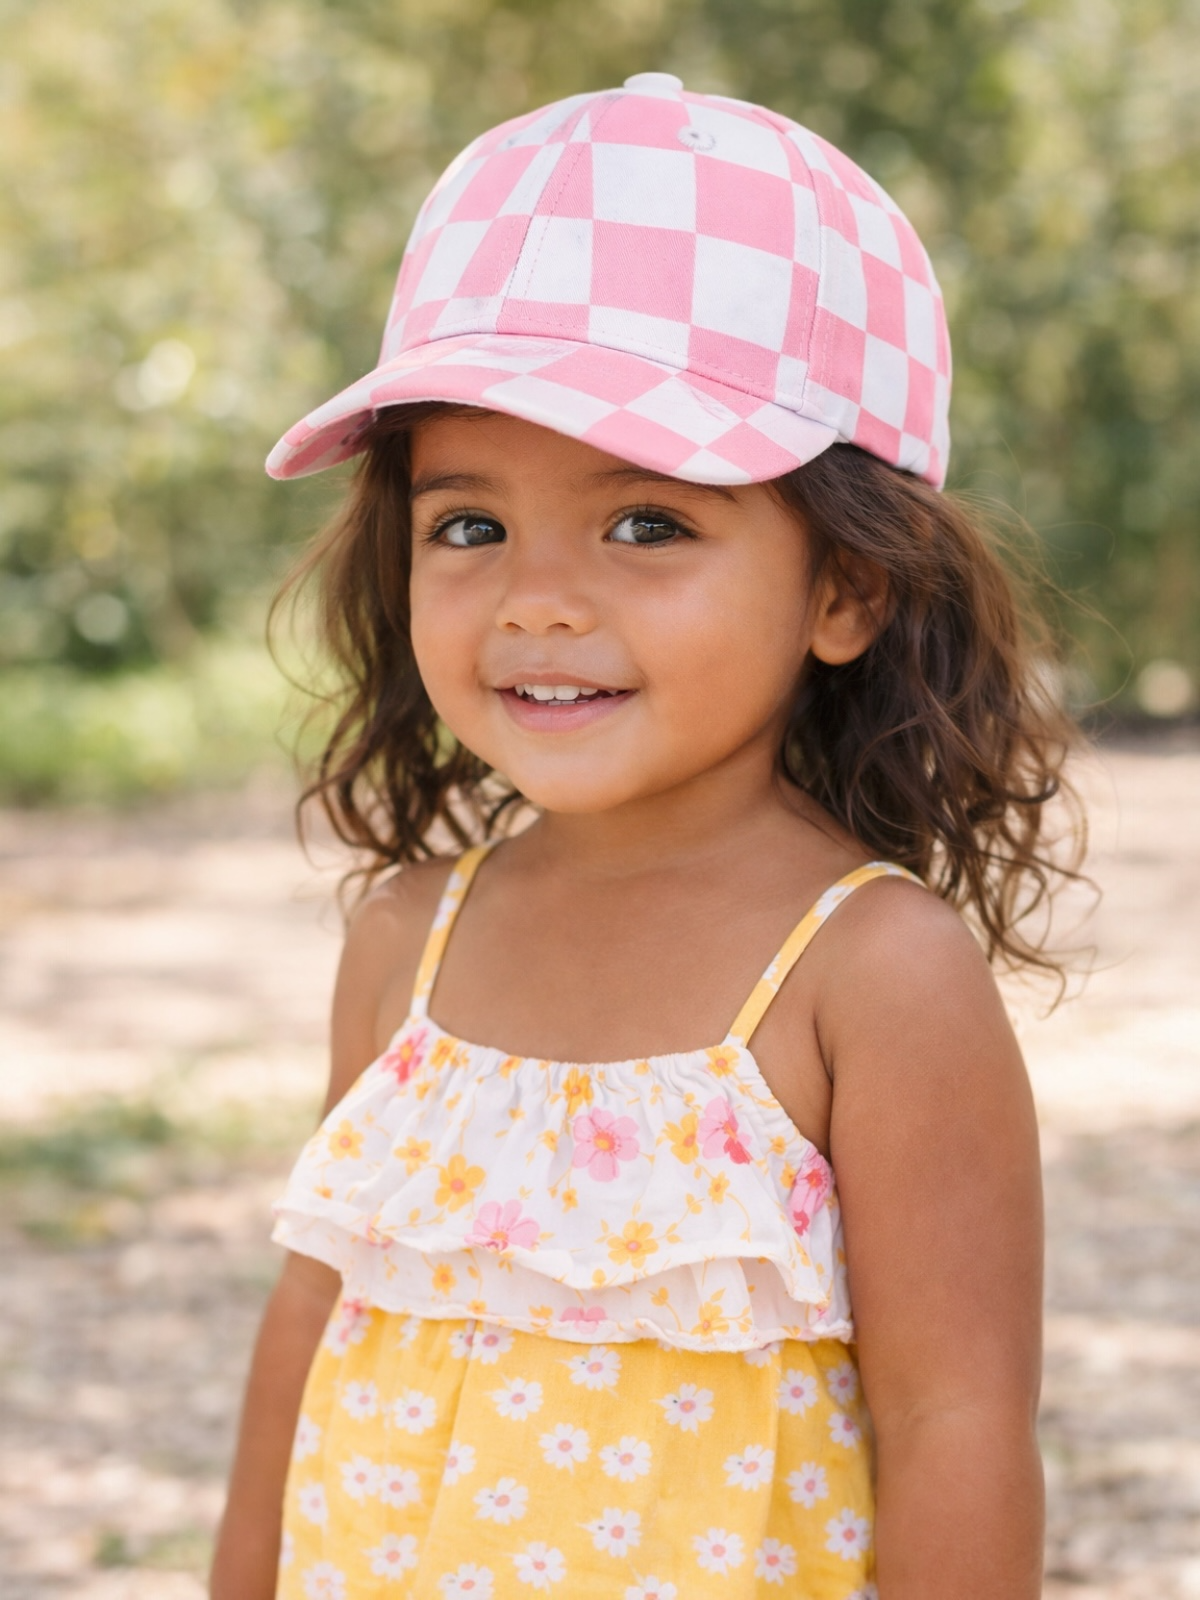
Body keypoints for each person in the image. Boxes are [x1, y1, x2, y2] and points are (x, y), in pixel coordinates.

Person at [210, 71, 1081, 1600]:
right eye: (469, 524)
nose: (538, 596)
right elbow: (311, 1331)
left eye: (647, 523)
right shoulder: (408, 938)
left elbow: (957, 1423)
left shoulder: (869, 970)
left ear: (845, 587)